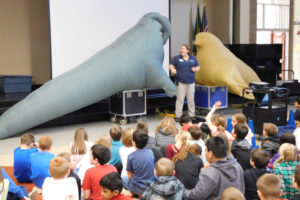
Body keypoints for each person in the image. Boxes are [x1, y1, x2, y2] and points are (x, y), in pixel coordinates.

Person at [169, 44, 200, 119]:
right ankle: (178, 115)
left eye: (183, 49)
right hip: (180, 82)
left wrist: (195, 69)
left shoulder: (193, 58)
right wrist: (172, 69)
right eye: (181, 49)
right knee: (180, 99)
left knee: (191, 99)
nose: (181, 50)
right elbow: (171, 65)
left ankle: (192, 115)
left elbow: (198, 67)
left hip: (191, 82)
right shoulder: (177, 58)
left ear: (187, 50)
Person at [122, 130, 156, 196]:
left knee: (124, 179)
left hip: (138, 187)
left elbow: (129, 176)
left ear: (133, 142)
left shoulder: (131, 156)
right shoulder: (150, 152)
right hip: (150, 185)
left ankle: (136, 193)